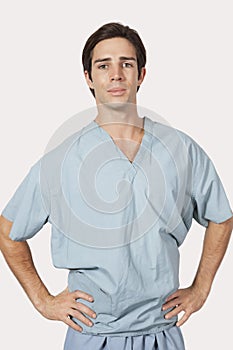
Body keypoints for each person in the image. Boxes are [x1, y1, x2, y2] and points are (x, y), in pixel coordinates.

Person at [0, 22, 232, 350]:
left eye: (127, 64)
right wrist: (43, 300)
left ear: (141, 75)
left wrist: (201, 288)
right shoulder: (62, 160)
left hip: (160, 330)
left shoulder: (180, 149)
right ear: (88, 78)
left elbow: (221, 216)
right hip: (92, 333)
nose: (116, 74)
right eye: (103, 65)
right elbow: (8, 231)